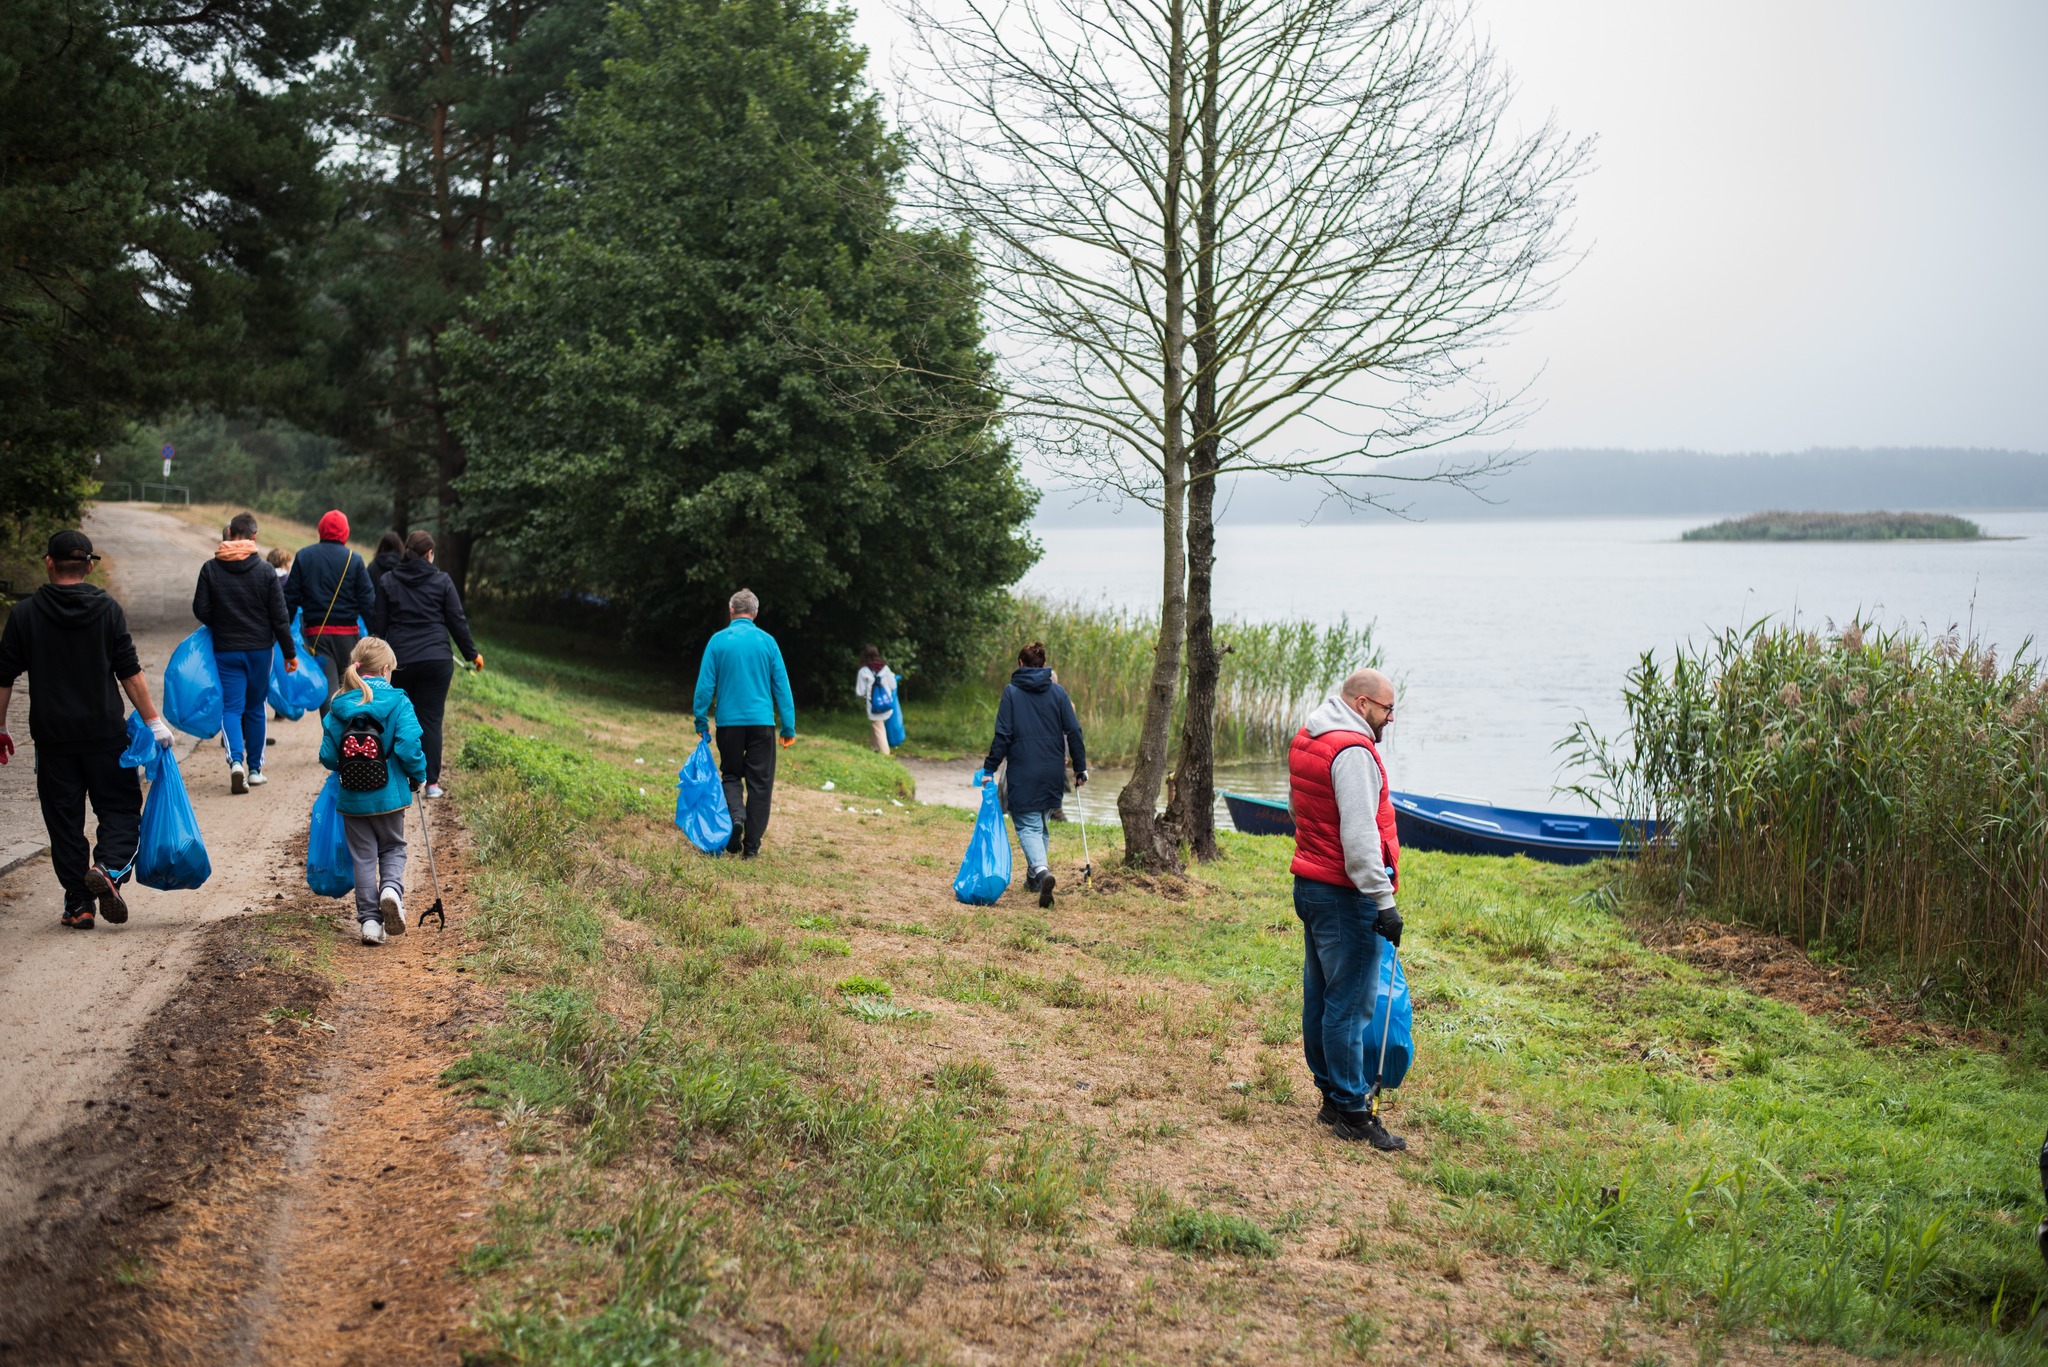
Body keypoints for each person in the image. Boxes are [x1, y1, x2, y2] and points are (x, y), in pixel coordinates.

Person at [0, 531, 176, 929]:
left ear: (49, 563)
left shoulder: (24, 614)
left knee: (63, 822)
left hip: (53, 738)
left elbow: (4, 675)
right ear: (90, 566)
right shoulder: (107, 610)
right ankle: (110, 869)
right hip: (105, 736)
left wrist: (0, 726)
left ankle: (78, 905)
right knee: (120, 809)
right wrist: (154, 721)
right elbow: (129, 671)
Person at [1287, 666, 1406, 1151]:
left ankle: (1331, 1096)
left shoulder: (1310, 736)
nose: (1390, 719)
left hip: (1311, 884)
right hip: (1344, 893)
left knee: (1321, 995)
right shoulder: (1354, 752)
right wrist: (1385, 900)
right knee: (1350, 1005)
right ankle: (1353, 1111)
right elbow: (1360, 843)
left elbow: (1296, 810)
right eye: (1387, 709)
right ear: (1362, 704)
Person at [318, 637, 426, 946]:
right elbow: (408, 746)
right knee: (392, 847)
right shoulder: (399, 701)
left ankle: (369, 923)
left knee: (362, 858)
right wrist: (418, 775)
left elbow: (327, 756)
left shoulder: (339, 704)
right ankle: (391, 889)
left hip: (352, 797)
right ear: (385, 668)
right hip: (390, 796)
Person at [369, 530, 482, 799]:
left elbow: (378, 625)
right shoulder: (442, 581)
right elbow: (457, 620)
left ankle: (398, 777)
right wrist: (471, 654)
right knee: (431, 719)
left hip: (400, 661)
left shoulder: (388, 580)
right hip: (436, 661)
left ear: (406, 551)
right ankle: (431, 784)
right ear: (430, 554)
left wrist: (373, 663)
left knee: (397, 718)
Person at [192, 512, 297, 792]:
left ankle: (235, 761)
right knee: (255, 708)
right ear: (254, 536)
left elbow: (200, 609)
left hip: (226, 649)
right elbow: (280, 617)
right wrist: (289, 653)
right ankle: (254, 769)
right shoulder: (265, 571)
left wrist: (223, 623)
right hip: (260, 650)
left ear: (229, 533)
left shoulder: (210, 569)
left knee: (231, 707)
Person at [981, 641, 1086, 909]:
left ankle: (1041, 872)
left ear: (1020, 664)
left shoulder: (1012, 693)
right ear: (1043, 664)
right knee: (1040, 822)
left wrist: (990, 768)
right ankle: (1033, 878)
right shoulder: (1059, 693)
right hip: (1052, 769)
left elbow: (1003, 735)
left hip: (1024, 769)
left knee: (1028, 825)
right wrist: (1080, 767)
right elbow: (1074, 731)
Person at [692, 588, 796, 859]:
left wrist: (701, 719)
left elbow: (705, 686)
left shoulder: (717, 641)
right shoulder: (768, 642)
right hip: (762, 724)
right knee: (761, 784)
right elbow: (782, 687)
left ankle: (736, 816)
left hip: (729, 724)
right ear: (755, 613)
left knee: (730, 775)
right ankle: (751, 848)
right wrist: (788, 727)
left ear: (731, 610)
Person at [282, 509, 374, 711]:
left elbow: (290, 598)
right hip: (349, 636)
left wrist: (283, 633)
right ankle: (349, 737)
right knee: (351, 688)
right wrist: (376, 636)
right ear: (346, 532)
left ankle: (333, 736)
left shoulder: (304, 556)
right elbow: (368, 602)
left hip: (317, 635)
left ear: (321, 530)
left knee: (329, 689)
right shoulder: (354, 559)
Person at [854, 645, 898, 755]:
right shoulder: (885, 668)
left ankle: (885, 755)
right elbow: (893, 686)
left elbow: (860, 692)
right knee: (877, 726)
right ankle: (874, 749)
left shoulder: (864, 671)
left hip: (874, 706)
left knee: (879, 729)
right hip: (887, 704)